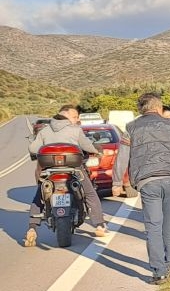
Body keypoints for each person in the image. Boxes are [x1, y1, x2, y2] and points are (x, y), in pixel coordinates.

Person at [111, 93, 170, 284]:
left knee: (153, 227)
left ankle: (159, 272)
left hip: (148, 181)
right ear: (159, 107)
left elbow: (122, 157)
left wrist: (116, 182)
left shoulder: (131, 128)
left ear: (141, 109)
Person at [24, 105, 108, 247]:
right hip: (73, 169)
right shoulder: (75, 130)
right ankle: (99, 224)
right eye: (75, 117)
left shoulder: (45, 131)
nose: (77, 120)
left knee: (39, 195)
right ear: (66, 115)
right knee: (90, 193)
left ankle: (32, 227)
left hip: (50, 170)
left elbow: (33, 148)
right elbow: (87, 146)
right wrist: (97, 150)